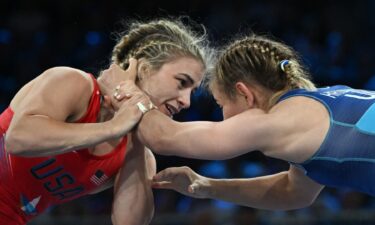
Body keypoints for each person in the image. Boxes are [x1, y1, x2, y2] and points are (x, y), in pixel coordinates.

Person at [105, 33, 375, 211]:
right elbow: (293, 192)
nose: (223, 118)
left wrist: (126, 89)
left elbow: (164, 137)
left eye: (222, 105)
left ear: (245, 94)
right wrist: (206, 186)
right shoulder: (314, 108)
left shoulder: (272, 121)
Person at [0, 18, 211, 225]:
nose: (186, 101)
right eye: (182, 82)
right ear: (145, 68)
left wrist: (136, 135)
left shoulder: (140, 155)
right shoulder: (73, 83)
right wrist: (112, 127)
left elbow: (129, 222)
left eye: (192, 92)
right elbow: (18, 139)